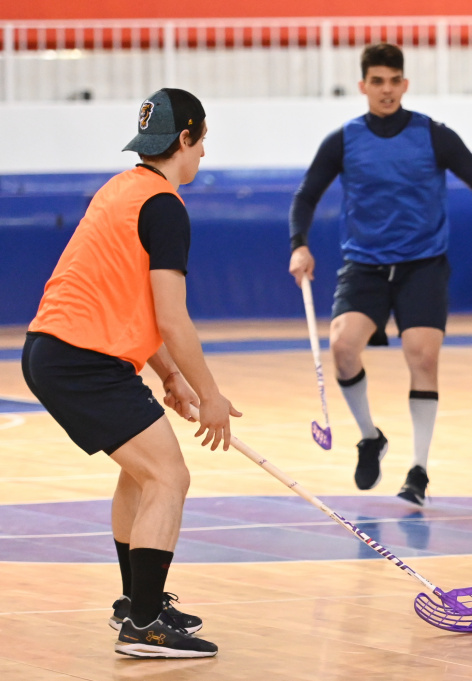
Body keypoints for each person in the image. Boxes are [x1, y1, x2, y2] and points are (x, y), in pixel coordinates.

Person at [21, 88, 236, 657]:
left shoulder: (120, 189)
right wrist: (211, 396)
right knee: (169, 476)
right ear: (185, 138)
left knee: (142, 474)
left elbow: (129, 298)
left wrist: (169, 375)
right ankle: (144, 625)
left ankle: (138, 602)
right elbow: (172, 316)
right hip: (82, 360)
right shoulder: (164, 206)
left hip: (57, 351)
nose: (203, 153)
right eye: (201, 141)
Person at [288, 43, 472, 506]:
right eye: (377, 82)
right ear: (363, 86)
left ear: (405, 84)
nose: (386, 90)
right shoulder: (344, 140)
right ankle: (370, 437)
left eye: (393, 81)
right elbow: (306, 195)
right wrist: (299, 244)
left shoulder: (434, 135)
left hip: (423, 265)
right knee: (343, 348)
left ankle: (418, 471)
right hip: (364, 266)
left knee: (422, 356)